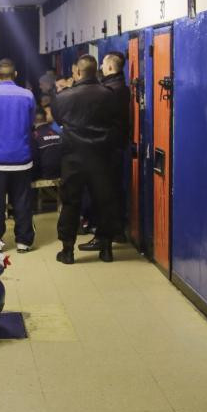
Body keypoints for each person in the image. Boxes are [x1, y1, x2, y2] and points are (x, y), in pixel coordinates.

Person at [51, 54, 119, 264]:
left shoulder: (63, 97)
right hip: (102, 157)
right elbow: (115, 120)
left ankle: (68, 251)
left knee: (71, 203)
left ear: (78, 72)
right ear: (95, 71)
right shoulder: (110, 95)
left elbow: (58, 118)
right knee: (105, 202)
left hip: (73, 158)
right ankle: (106, 249)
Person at [0, 58, 37, 252]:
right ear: (16, 74)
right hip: (22, 157)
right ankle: (24, 241)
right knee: (22, 200)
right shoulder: (28, 95)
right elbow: (30, 122)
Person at [80, 51, 131, 251]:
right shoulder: (121, 88)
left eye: (103, 64)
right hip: (116, 146)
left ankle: (103, 236)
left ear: (110, 67)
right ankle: (116, 230)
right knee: (114, 192)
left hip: (106, 148)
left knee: (103, 195)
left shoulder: (108, 91)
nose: (100, 67)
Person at [31, 106, 63, 181]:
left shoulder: (34, 136)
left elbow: (34, 159)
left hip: (45, 174)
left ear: (32, 120)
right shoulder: (58, 132)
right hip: (62, 171)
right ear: (46, 118)